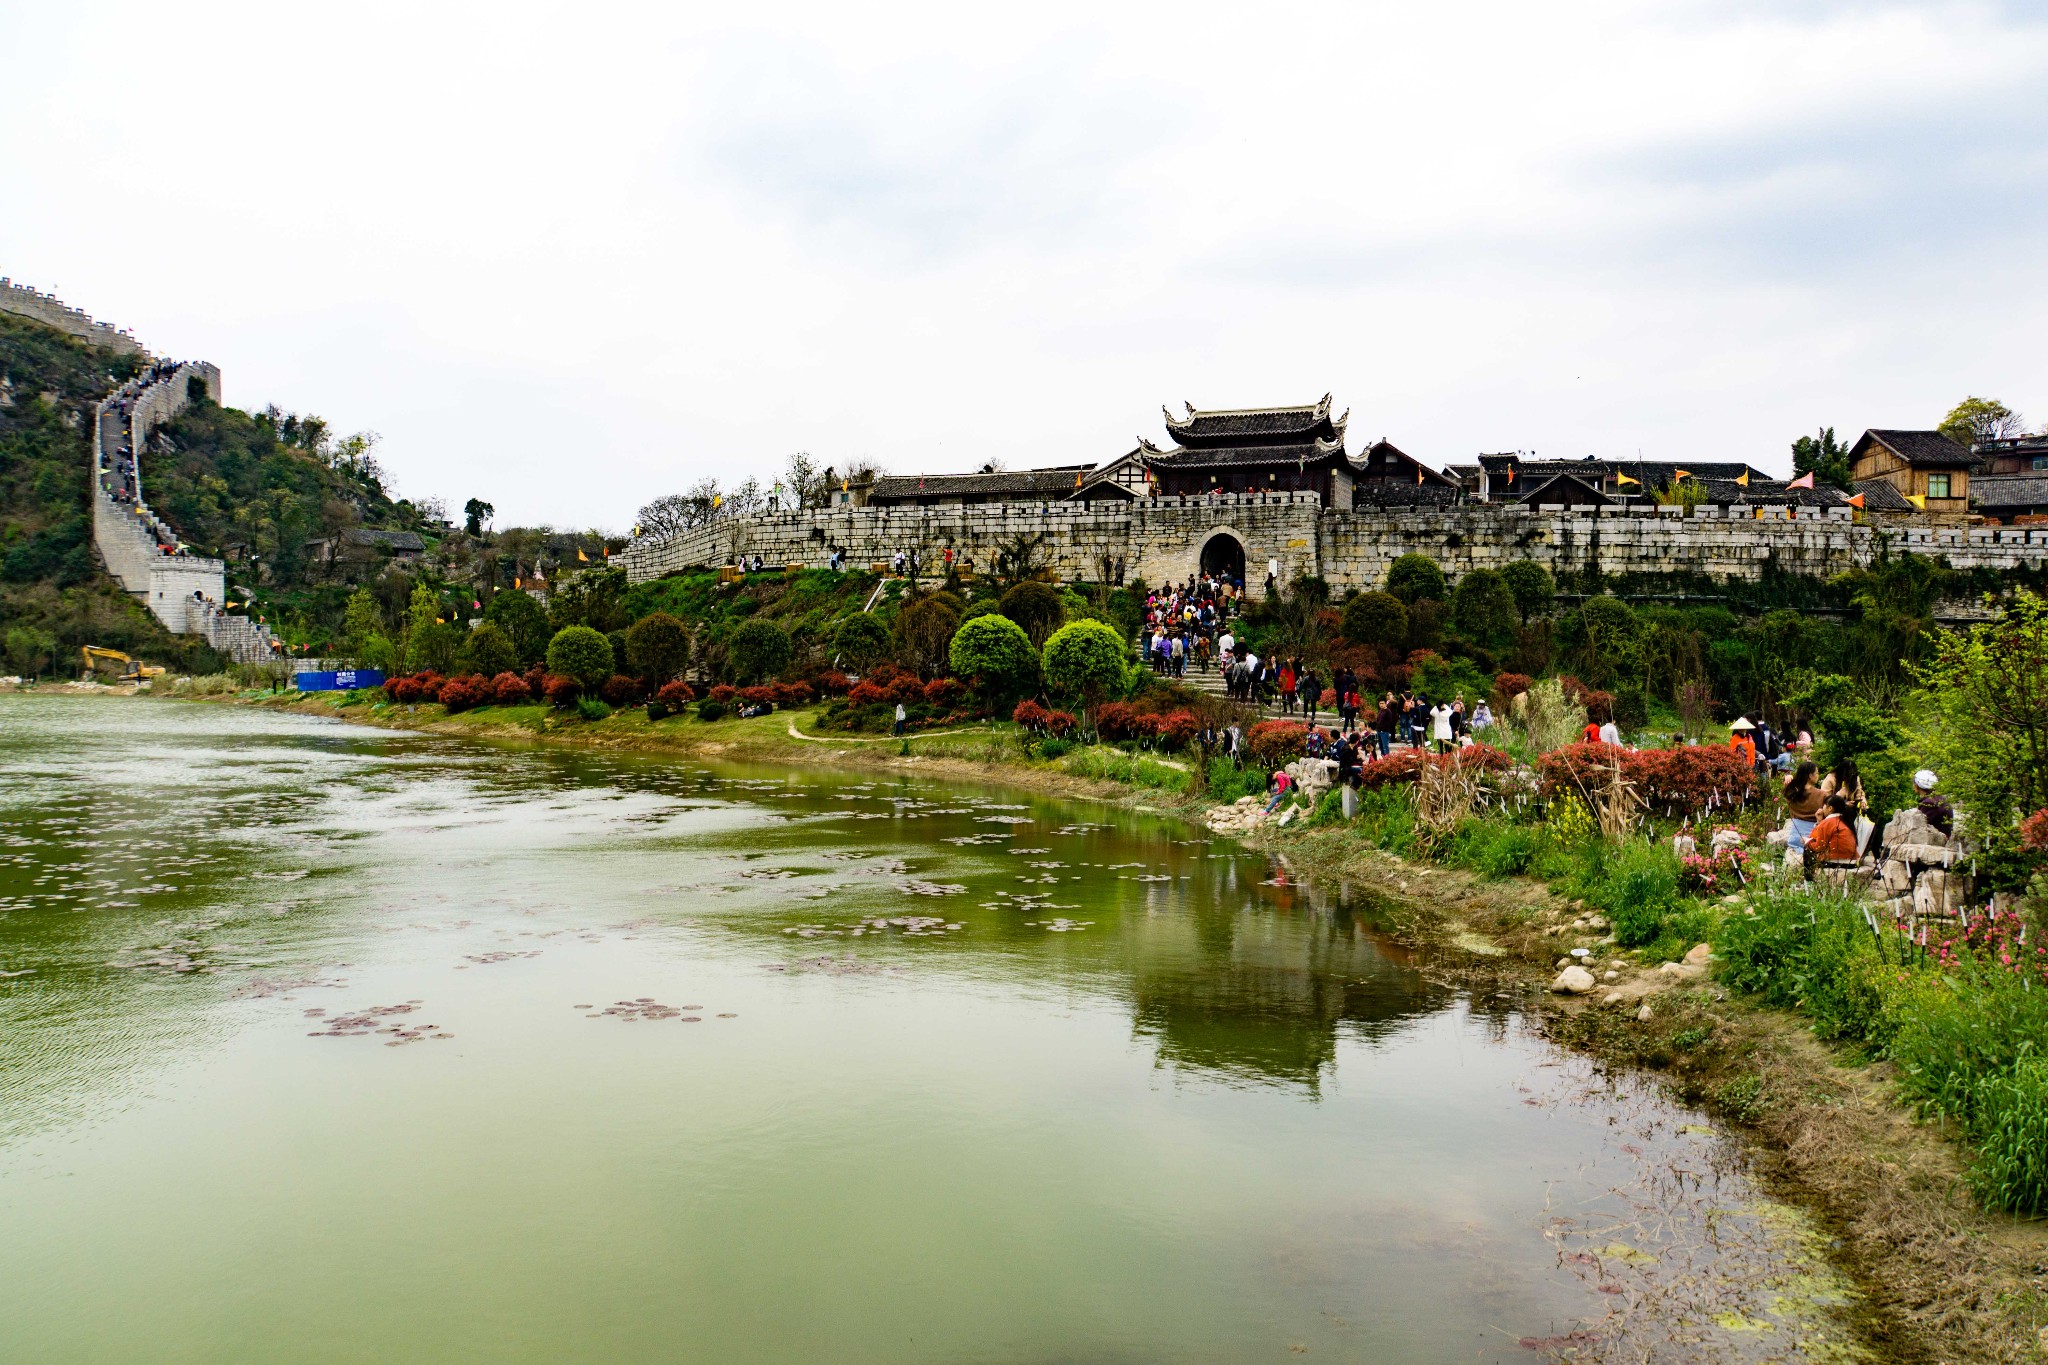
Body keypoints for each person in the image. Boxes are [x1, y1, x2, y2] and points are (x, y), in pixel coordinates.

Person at [1782, 760, 1826, 852]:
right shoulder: (1822, 795)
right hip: (1813, 836)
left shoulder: (1791, 792)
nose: (1818, 775)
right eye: (1816, 773)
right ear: (1810, 775)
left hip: (1795, 836)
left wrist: (1787, 777)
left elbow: (1786, 783)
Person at [1806, 795, 1860, 866]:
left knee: (1807, 849)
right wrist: (1819, 822)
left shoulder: (1828, 822)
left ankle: (1808, 877)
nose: (1822, 808)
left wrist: (1807, 842)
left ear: (1830, 808)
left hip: (1834, 861)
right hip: (1851, 862)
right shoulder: (1845, 820)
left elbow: (1818, 847)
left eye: (1824, 805)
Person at [1913, 769, 1953, 837]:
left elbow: (1918, 827)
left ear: (1916, 786)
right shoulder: (1940, 799)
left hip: (1936, 843)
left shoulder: (1929, 804)